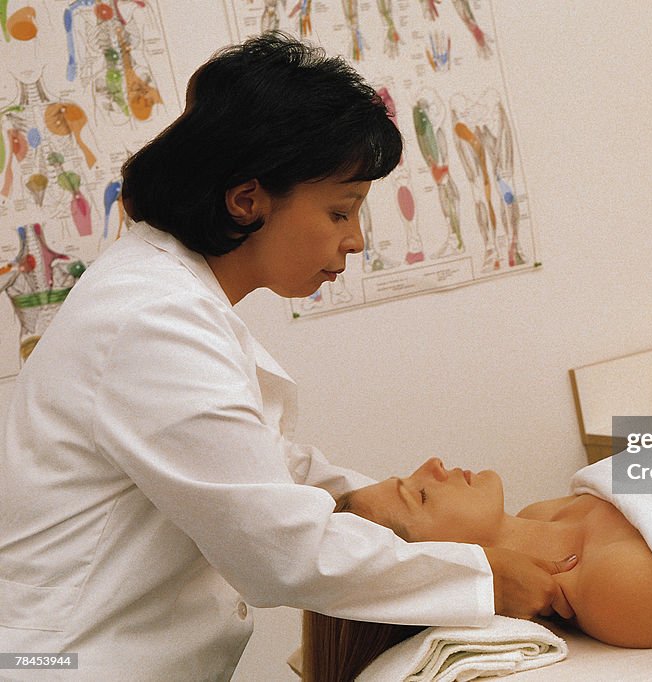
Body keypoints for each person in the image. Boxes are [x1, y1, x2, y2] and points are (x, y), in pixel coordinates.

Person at [0, 33, 573, 681]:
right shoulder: (152, 319)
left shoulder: (167, 296)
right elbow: (276, 550)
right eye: (341, 211)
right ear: (247, 200)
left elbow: (247, 459)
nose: (355, 240)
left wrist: (366, 497)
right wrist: (479, 577)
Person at [303, 457, 652, 680]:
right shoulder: (612, 586)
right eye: (422, 495)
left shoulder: (545, 513)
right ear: (441, 562)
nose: (433, 464)